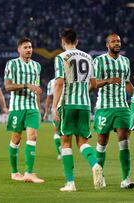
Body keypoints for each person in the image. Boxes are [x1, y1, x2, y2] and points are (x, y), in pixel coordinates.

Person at [52, 28, 103, 192]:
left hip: (67, 104)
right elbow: (94, 85)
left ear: (62, 41)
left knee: (65, 142)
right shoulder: (89, 57)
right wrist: (81, 92)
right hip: (84, 105)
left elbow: (59, 83)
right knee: (83, 142)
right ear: (77, 41)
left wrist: (54, 107)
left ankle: (70, 183)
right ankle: (95, 164)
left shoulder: (60, 57)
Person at [93, 33, 134, 189]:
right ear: (107, 45)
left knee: (124, 141)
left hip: (122, 107)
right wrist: (108, 80)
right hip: (104, 108)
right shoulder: (99, 61)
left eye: (118, 41)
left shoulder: (125, 61)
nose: (117, 43)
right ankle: (99, 176)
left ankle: (125, 178)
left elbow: (127, 82)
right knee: (102, 142)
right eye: (113, 41)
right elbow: (94, 83)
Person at [4, 37, 44, 183]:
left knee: (32, 136)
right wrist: (27, 85)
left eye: (30, 47)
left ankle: (29, 173)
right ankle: (14, 172)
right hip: (17, 107)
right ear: (19, 50)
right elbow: (8, 87)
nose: (29, 50)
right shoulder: (12, 64)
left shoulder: (37, 66)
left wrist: (39, 108)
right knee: (16, 138)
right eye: (26, 47)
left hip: (32, 107)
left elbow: (37, 89)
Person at [43, 78, 62, 160]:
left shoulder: (52, 82)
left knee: (57, 131)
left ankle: (60, 153)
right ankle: (65, 151)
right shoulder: (71, 77)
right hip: (69, 107)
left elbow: (48, 98)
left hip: (57, 108)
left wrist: (46, 112)